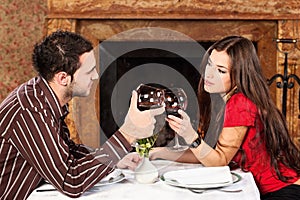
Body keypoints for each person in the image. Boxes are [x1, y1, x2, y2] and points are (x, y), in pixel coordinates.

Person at [0, 30, 164, 199]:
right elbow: (71, 181)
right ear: (63, 78)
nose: (95, 76)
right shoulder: (31, 110)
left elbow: (66, 152)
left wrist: (115, 158)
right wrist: (128, 133)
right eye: (89, 71)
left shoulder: (41, 95)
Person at [151, 36, 300, 199]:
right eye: (209, 64)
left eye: (221, 70)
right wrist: (158, 152)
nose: (209, 74)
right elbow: (208, 156)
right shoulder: (223, 101)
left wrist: (189, 135)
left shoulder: (240, 103)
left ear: (238, 75)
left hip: (284, 191)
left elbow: (219, 160)